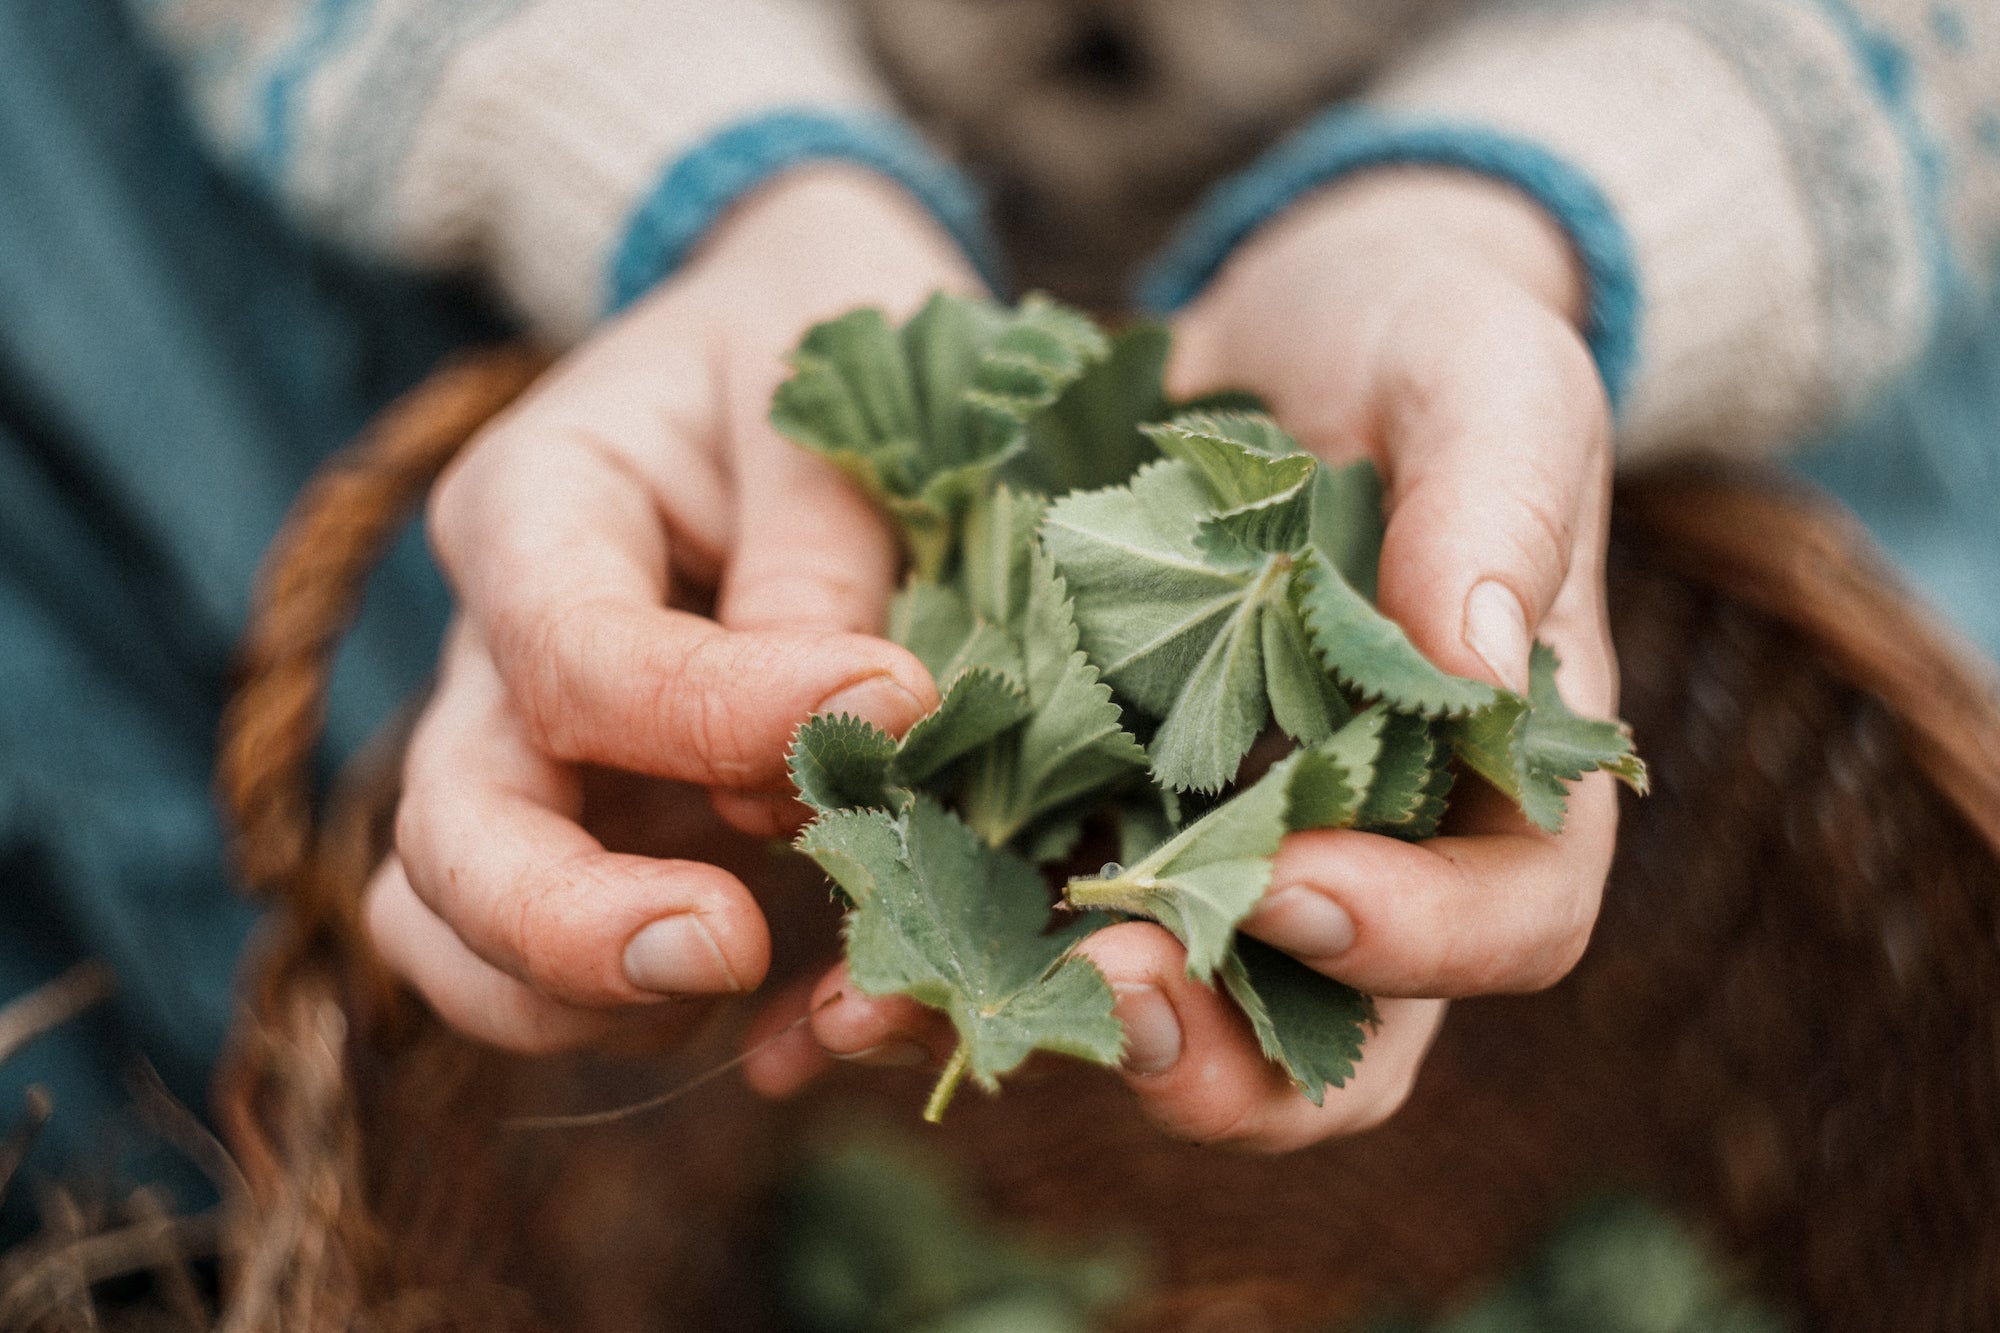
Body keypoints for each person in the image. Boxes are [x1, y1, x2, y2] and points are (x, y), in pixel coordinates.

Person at [2, 0, 1995, 1234]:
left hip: (1697, 218)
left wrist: (1529, 210)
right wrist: (714, 180)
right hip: (594, 193)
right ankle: (206, 1178)